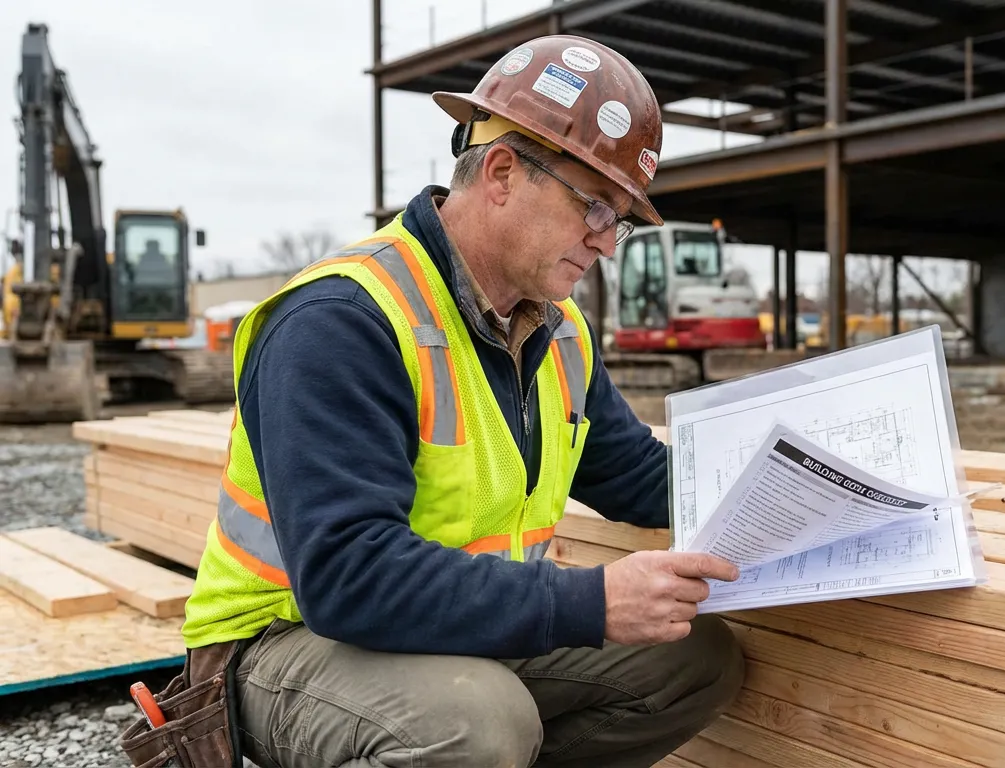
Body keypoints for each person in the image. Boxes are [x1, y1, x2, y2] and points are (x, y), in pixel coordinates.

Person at [118, 35, 744, 768]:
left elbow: (639, 476)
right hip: (285, 641)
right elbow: (349, 577)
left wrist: (791, 493)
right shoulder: (345, 319)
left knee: (694, 659)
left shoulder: (558, 330)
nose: (607, 243)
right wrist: (589, 602)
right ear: (504, 173)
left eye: (620, 220)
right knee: (475, 723)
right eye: (595, 207)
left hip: (450, 622)